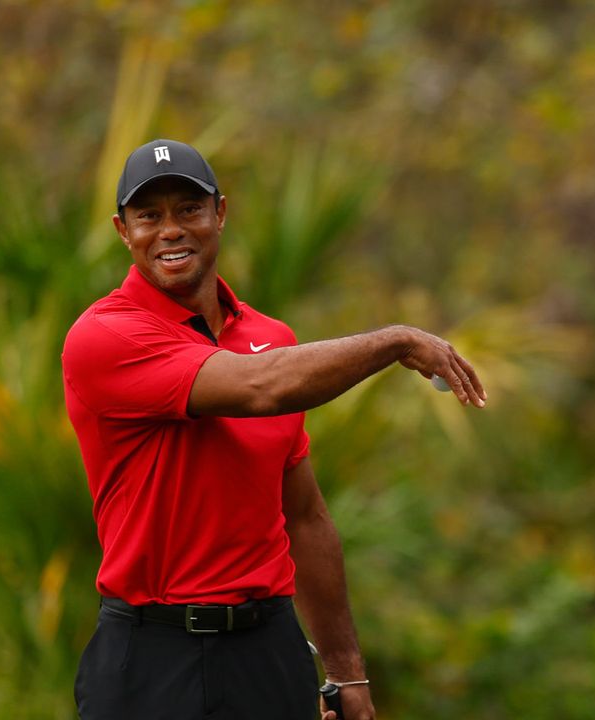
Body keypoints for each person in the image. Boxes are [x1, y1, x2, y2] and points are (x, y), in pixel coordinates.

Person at [63, 138, 487, 720]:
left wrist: (344, 670)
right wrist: (397, 340)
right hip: (150, 654)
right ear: (122, 230)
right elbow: (262, 387)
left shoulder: (273, 339)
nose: (171, 230)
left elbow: (305, 515)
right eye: (149, 216)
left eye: (188, 210)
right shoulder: (105, 336)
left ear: (220, 213)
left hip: (267, 650)